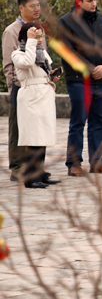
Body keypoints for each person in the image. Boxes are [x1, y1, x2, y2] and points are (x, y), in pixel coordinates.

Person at [57, 0, 102, 176]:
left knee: (99, 122)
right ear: (78, 1)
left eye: (95, 0)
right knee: (78, 122)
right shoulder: (66, 22)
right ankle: (74, 163)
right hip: (79, 81)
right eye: (89, 1)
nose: (94, 4)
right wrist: (91, 69)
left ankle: (97, 162)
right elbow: (68, 52)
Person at [11, 22, 59, 188]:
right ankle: (31, 178)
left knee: (42, 137)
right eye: (35, 36)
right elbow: (27, 63)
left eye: (40, 36)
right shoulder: (18, 53)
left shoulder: (41, 51)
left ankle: (40, 173)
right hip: (31, 97)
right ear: (25, 37)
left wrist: (51, 76)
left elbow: (41, 71)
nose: (39, 39)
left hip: (44, 95)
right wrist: (30, 41)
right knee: (33, 138)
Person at [4, 0, 41, 181]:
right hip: (21, 87)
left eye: (38, 5)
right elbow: (9, 65)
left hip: (37, 86)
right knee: (17, 128)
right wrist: (14, 89)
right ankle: (17, 168)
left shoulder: (37, 28)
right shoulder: (12, 31)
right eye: (32, 6)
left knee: (36, 128)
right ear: (21, 8)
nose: (37, 9)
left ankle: (36, 168)